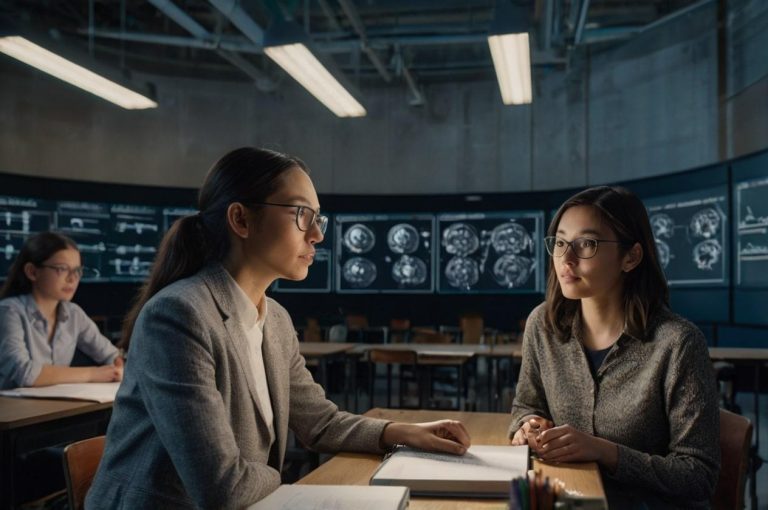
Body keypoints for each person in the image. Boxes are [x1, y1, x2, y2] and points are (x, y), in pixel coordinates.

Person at [87, 147, 471, 509]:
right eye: (302, 214)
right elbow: (220, 487)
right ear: (241, 219)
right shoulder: (178, 315)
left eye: (318, 219)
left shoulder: (276, 320)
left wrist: (400, 433)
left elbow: (319, 423)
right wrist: (296, 483)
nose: (317, 235)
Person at [508, 186, 719, 509]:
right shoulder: (543, 324)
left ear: (631, 257)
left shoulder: (678, 343)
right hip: (571, 499)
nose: (566, 258)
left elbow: (698, 476)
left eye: (587, 244)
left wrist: (606, 452)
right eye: (561, 242)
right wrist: (529, 425)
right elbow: (526, 404)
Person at [0, 232, 123, 390]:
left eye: (77, 271)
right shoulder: (9, 311)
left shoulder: (73, 314)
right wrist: (93, 374)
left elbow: (112, 356)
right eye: (62, 269)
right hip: (15, 412)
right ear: (32, 272)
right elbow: (25, 373)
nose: (72, 279)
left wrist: (118, 367)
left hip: (54, 409)